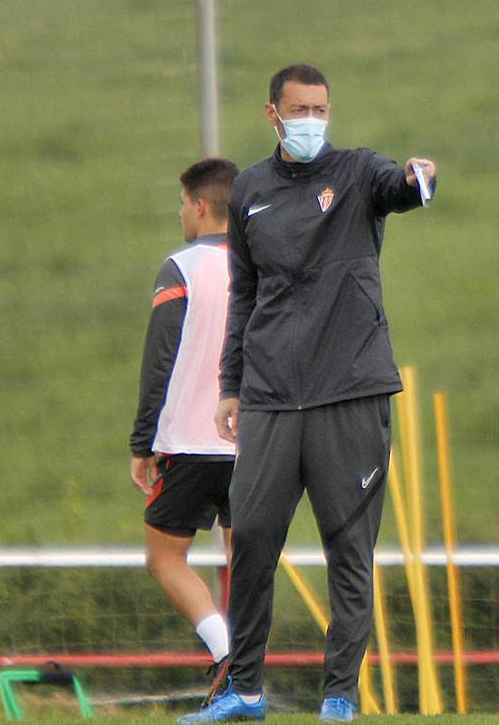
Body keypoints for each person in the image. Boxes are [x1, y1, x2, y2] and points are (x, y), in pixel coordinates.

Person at [180, 63, 436, 725]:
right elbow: (244, 294)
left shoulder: (356, 172)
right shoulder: (252, 191)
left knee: (348, 549)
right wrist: (231, 386)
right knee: (254, 539)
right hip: (267, 396)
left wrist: (415, 181)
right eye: (300, 110)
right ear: (272, 114)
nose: (312, 122)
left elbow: (396, 188)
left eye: (321, 110)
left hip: (349, 392)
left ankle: (339, 698)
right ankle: (246, 690)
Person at [129, 157, 239, 701]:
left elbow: (161, 361)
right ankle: (249, 672)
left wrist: (141, 443)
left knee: (165, 558)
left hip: (190, 443)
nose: (180, 214)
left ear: (198, 205)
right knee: (249, 559)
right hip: (257, 440)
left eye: (181, 204)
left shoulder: (180, 267)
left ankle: (225, 652)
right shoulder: (265, 263)